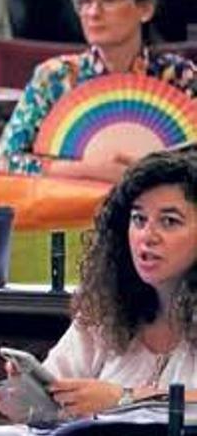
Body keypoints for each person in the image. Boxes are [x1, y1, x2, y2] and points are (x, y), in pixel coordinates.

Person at [14, 151, 197, 418]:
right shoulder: (106, 313)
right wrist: (31, 393)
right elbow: (49, 402)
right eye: (138, 219)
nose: (148, 236)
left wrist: (125, 399)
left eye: (169, 221)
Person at [0, 0, 197, 182]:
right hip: (70, 209)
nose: (93, 13)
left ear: (145, 9)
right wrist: (90, 170)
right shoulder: (54, 78)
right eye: (85, 2)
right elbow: (6, 160)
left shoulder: (179, 77)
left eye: (108, 0)